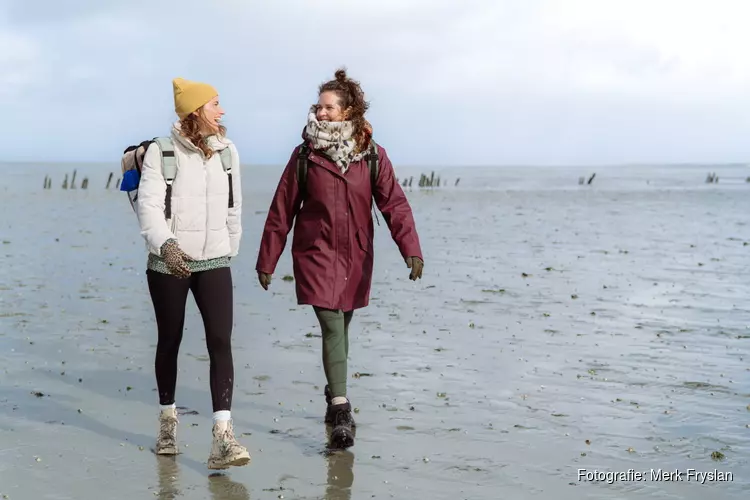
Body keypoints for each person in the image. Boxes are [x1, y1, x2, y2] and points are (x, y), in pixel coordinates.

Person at [255, 68, 424, 449]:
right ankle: (342, 408)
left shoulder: (373, 156)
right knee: (332, 324)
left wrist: (410, 248)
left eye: (329, 107)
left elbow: (394, 204)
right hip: (316, 253)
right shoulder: (304, 155)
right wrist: (268, 258)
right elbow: (282, 209)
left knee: (342, 326)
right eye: (319, 106)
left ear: (348, 111)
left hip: (356, 255)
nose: (321, 112)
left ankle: (333, 399)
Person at [136, 77, 250, 469]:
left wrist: (229, 247)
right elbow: (149, 206)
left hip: (215, 258)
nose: (222, 111)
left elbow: (235, 205)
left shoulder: (227, 151)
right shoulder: (161, 152)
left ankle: (223, 437)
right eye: (215, 104)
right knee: (170, 338)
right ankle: (168, 421)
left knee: (221, 340)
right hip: (169, 258)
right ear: (197, 109)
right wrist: (165, 245)